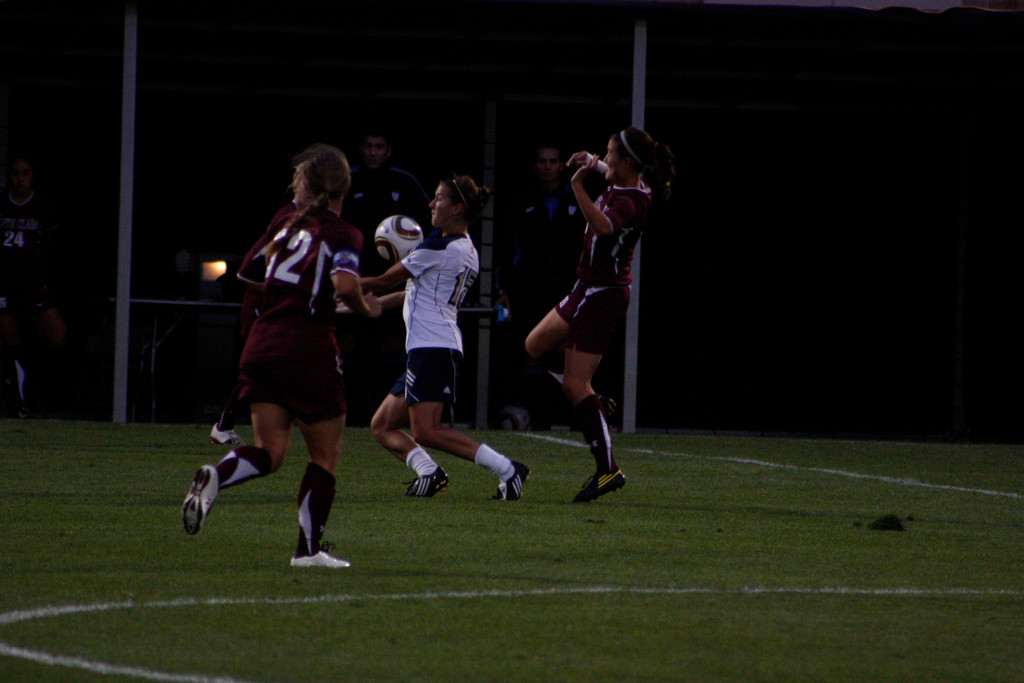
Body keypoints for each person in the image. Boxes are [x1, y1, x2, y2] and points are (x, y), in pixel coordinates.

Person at [182, 143, 382, 569]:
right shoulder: (345, 233)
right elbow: (347, 286)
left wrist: (299, 293)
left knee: (270, 452)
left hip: (263, 343)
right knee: (323, 457)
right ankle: (307, 552)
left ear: (307, 187)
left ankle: (218, 475)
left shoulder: (285, 222)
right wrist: (367, 308)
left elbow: (247, 276)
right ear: (344, 188)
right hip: (307, 348)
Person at [525, 127, 676, 503]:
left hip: (603, 295)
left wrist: (577, 185)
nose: (603, 158)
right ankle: (592, 400)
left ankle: (608, 470)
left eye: (609, 154)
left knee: (574, 385)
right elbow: (610, 173)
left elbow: (605, 225)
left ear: (627, 163)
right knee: (535, 345)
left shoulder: (632, 200)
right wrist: (592, 163)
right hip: (585, 286)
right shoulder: (624, 178)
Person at [361, 174, 530, 500]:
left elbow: (385, 281)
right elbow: (411, 293)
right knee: (382, 425)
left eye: (438, 198)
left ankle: (508, 469)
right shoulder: (463, 248)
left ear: (457, 208)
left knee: (426, 430)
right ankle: (429, 472)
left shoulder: (437, 247)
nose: (431, 204)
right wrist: (373, 303)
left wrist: (338, 286)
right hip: (430, 346)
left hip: (432, 347)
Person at [338, 131, 431, 426]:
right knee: (346, 343)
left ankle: (387, 416)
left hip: (393, 278)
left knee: (390, 345)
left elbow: (429, 223)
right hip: (351, 274)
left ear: (388, 150)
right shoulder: (347, 180)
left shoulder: (404, 182)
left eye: (379, 147)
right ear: (360, 149)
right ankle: (347, 415)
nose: (373, 152)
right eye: (367, 146)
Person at [493, 144, 583, 430]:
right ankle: (531, 416)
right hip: (528, 288)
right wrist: (503, 290)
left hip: (566, 288)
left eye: (552, 161)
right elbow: (507, 249)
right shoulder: (522, 200)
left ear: (561, 166)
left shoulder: (577, 199)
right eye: (542, 161)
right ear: (535, 166)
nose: (547, 166)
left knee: (566, 354)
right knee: (530, 351)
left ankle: (563, 417)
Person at [0, 154, 67, 418]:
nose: (20, 179)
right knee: (10, 341)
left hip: (32, 282)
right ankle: (17, 403)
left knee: (57, 336)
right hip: (4, 283)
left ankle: (50, 397)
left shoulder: (43, 207)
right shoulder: (1, 203)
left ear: (33, 175)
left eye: (25, 173)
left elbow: (52, 243)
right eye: (15, 173)